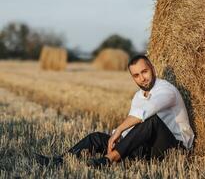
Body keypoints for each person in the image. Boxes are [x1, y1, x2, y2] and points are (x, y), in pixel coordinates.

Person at [34, 55, 194, 168]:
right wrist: (116, 137)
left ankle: (108, 160)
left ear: (152, 68)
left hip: (174, 148)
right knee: (96, 138)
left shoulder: (167, 90)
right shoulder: (138, 96)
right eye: (136, 75)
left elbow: (145, 113)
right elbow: (132, 125)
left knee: (151, 121)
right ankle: (60, 161)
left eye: (144, 72)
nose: (142, 78)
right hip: (148, 149)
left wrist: (119, 131)